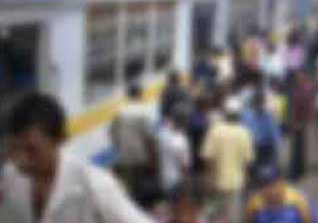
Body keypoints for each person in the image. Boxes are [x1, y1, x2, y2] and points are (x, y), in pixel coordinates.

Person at [0, 92, 152, 222]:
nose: (21, 160)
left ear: (61, 139)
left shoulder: (96, 187)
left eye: (32, 150)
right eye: (14, 148)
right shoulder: (11, 176)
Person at [201, 97, 255, 220]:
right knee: (232, 218)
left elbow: (208, 158)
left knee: (216, 217)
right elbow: (247, 162)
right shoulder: (244, 133)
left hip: (216, 183)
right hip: (236, 184)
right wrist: (246, 179)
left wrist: (209, 179)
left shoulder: (215, 130)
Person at [110, 83, 158, 207]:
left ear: (128, 95)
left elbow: (113, 134)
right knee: (140, 188)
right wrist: (153, 159)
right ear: (140, 94)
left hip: (124, 156)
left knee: (127, 189)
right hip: (141, 156)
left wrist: (120, 147)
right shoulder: (143, 112)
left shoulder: (120, 112)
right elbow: (149, 138)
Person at [245, 165, 318, 223]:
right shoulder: (254, 204)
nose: (269, 191)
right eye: (263, 185)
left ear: (282, 183)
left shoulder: (299, 201)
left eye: (273, 185)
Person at [242, 90, 282, 175]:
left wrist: (275, 153)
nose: (260, 105)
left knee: (265, 173)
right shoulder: (247, 115)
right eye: (258, 102)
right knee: (253, 172)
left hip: (265, 149)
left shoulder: (268, 116)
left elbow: (275, 136)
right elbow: (243, 132)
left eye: (261, 102)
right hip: (251, 147)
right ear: (254, 103)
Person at [288, 71, 317, 182]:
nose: (297, 78)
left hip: (299, 120)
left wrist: (297, 121)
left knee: (297, 147)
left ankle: (296, 172)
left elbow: (302, 105)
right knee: (299, 146)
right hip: (300, 120)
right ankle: (300, 169)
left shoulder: (304, 88)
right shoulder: (303, 87)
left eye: (299, 76)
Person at [158, 104, 191, 197]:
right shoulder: (181, 140)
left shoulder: (163, 133)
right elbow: (184, 166)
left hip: (163, 178)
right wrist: (187, 184)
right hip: (176, 181)